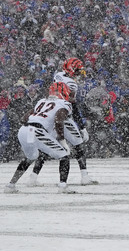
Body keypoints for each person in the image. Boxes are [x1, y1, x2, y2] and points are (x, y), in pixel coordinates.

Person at [26, 58, 96, 186]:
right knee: (79, 145)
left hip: (51, 116)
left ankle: (33, 177)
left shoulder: (58, 75)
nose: (79, 74)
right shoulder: (71, 84)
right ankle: (84, 176)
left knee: (44, 148)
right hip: (63, 116)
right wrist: (82, 126)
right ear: (71, 69)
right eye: (78, 71)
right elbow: (73, 107)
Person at [5, 82, 81, 194]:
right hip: (37, 130)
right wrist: (62, 140)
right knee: (64, 155)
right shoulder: (65, 104)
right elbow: (59, 119)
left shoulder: (42, 101)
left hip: (24, 129)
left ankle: (10, 185)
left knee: (31, 157)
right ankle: (63, 186)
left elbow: (24, 118)